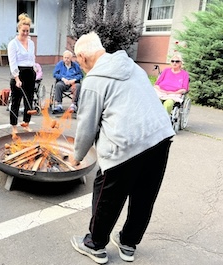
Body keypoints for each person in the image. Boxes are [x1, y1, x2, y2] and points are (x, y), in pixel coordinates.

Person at [69, 32, 175, 264]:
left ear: (83, 56)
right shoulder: (133, 67)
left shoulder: (95, 80)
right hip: (160, 138)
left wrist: (76, 157)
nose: (79, 65)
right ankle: (128, 243)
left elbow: (87, 126)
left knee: (107, 196)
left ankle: (95, 244)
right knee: (144, 196)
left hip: (125, 145)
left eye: (78, 60)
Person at [7, 13, 36, 135]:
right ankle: (14, 125)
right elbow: (12, 62)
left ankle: (26, 123)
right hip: (19, 73)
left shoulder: (31, 43)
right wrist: (17, 78)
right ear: (18, 29)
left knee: (29, 100)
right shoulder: (13, 44)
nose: (25, 33)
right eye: (23, 30)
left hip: (30, 72)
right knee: (16, 100)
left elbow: (32, 58)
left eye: (27, 31)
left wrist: (35, 71)